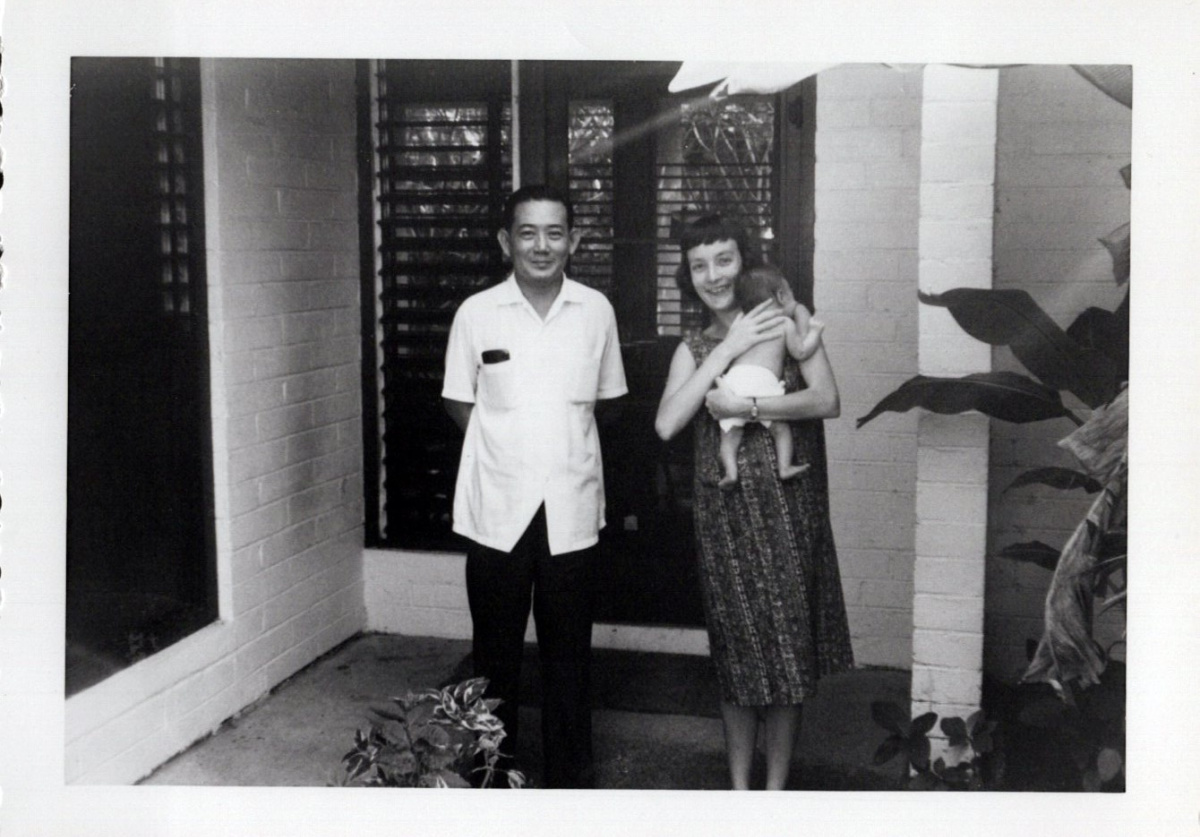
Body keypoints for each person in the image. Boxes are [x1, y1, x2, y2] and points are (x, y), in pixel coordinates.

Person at [654, 214, 854, 790]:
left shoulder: (787, 319)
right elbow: (668, 423)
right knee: (737, 652)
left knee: (787, 651)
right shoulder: (693, 347)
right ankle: (739, 790)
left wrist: (751, 408)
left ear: (744, 263)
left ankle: (773, 794)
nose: (712, 275)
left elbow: (828, 399)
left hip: (791, 511)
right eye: (699, 265)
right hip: (726, 516)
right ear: (687, 275)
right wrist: (727, 351)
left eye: (723, 259)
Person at [442, 184, 627, 789]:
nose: (541, 245)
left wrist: (555, 451)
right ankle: (489, 781)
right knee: (492, 658)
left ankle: (570, 784)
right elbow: (459, 402)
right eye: (528, 232)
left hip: (572, 510)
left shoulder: (596, 310)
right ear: (506, 241)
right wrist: (511, 449)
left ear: (573, 240)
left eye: (555, 233)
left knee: (568, 660)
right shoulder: (477, 313)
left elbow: (608, 402)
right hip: (497, 509)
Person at [717, 264, 826, 488]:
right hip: (763, 382)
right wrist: (814, 332)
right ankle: (785, 467)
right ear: (781, 295)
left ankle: (730, 471)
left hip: (735, 381)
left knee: (729, 434)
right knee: (780, 430)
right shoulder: (784, 322)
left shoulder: (742, 323)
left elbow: (728, 349)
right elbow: (801, 351)